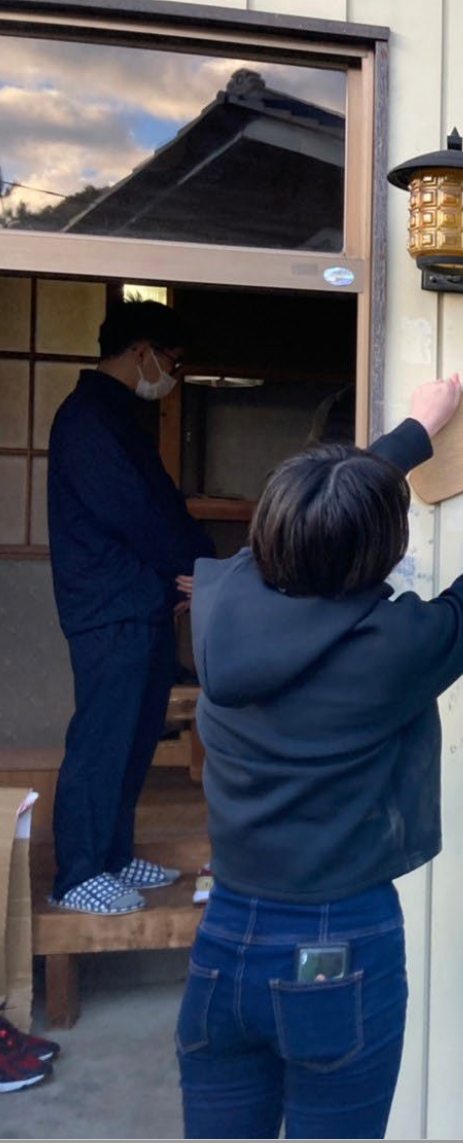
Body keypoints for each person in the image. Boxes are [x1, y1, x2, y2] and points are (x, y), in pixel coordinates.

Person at [175, 376, 463, 1139]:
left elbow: (316, 514)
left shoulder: (224, 599)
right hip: (338, 941)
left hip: (224, 940)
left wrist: (416, 430)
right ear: (381, 549)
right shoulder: (389, 648)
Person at [46, 300, 213, 916]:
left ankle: (112, 855)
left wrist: (190, 572)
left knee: (135, 736)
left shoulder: (115, 414)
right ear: (140, 350)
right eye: (172, 361)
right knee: (103, 738)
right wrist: (197, 568)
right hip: (109, 605)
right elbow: (137, 515)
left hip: (137, 601)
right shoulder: (88, 418)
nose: (173, 376)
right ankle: (77, 874)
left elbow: (159, 507)